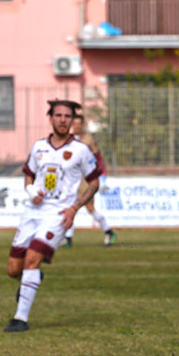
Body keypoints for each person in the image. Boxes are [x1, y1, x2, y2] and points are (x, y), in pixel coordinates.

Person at [3, 100, 100, 332]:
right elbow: (29, 176)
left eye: (68, 116)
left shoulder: (81, 150)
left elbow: (94, 182)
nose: (63, 120)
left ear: (73, 121)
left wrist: (74, 208)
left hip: (58, 214)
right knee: (14, 270)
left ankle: (20, 319)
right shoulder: (38, 147)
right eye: (59, 115)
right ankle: (32, 279)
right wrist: (31, 191)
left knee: (32, 260)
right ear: (51, 118)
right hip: (32, 213)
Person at [62, 101, 115, 249]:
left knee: (89, 207)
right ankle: (68, 238)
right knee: (70, 206)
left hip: (87, 179)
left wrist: (103, 176)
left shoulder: (89, 140)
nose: (77, 126)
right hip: (73, 179)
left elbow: (98, 158)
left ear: (83, 124)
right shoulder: (69, 139)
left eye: (79, 124)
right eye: (75, 123)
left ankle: (109, 231)